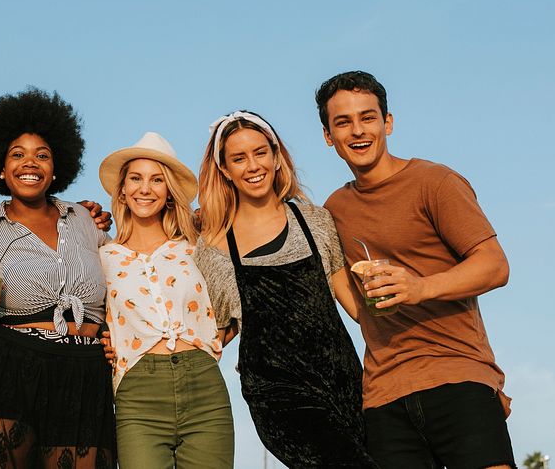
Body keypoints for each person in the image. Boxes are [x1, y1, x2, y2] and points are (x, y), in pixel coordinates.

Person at [315, 70, 515, 469]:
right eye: (343, 122)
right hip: (383, 395)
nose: (358, 131)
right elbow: (358, 308)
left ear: (387, 123)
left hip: (457, 375)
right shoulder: (333, 209)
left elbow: (495, 265)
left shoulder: (434, 182)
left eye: (367, 117)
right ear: (328, 136)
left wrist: (419, 288)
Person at [0, 88, 116, 469]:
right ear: (0, 167)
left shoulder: (84, 221)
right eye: (17, 154)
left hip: (82, 374)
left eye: (42, 155)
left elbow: (120, 277)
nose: (29, 163)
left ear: (56, 167)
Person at [196, 110, 377, 468]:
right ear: (224, 169)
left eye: (260, 152)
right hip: (277, 396)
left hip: (344, 381)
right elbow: (216, 333)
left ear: (277, 156)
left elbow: (357, 309)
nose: (252, 166)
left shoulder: (314, 220)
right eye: (239, 158)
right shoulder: (214, 246)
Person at [97, 132, 235, 468]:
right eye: (136, 179)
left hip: (204, 386)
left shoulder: (196, 247)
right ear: (123, 190)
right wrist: (103, 340)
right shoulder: (102, 256)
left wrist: (211, 342)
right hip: (137, 392)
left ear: (169, 192)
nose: (145, 189)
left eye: (157, 180)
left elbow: (236, 305)